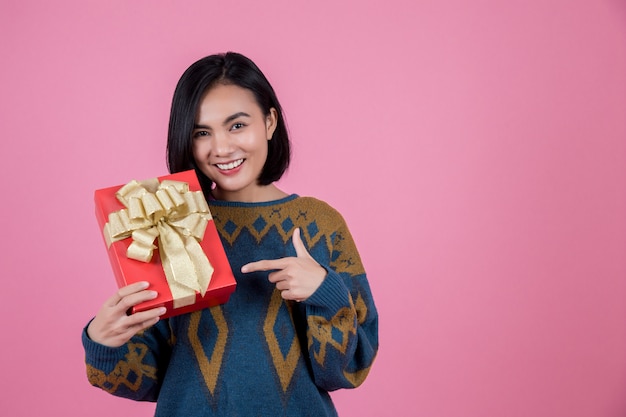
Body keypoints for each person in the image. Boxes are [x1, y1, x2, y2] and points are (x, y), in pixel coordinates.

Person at [82, 52, 378, 416]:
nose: (221, 148)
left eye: (237, 125)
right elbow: (149, 378)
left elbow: (346, 370)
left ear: (270, 122)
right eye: (201, 132)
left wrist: (325, 294)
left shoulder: (320, 223)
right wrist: (104, 342)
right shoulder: (166, 221)